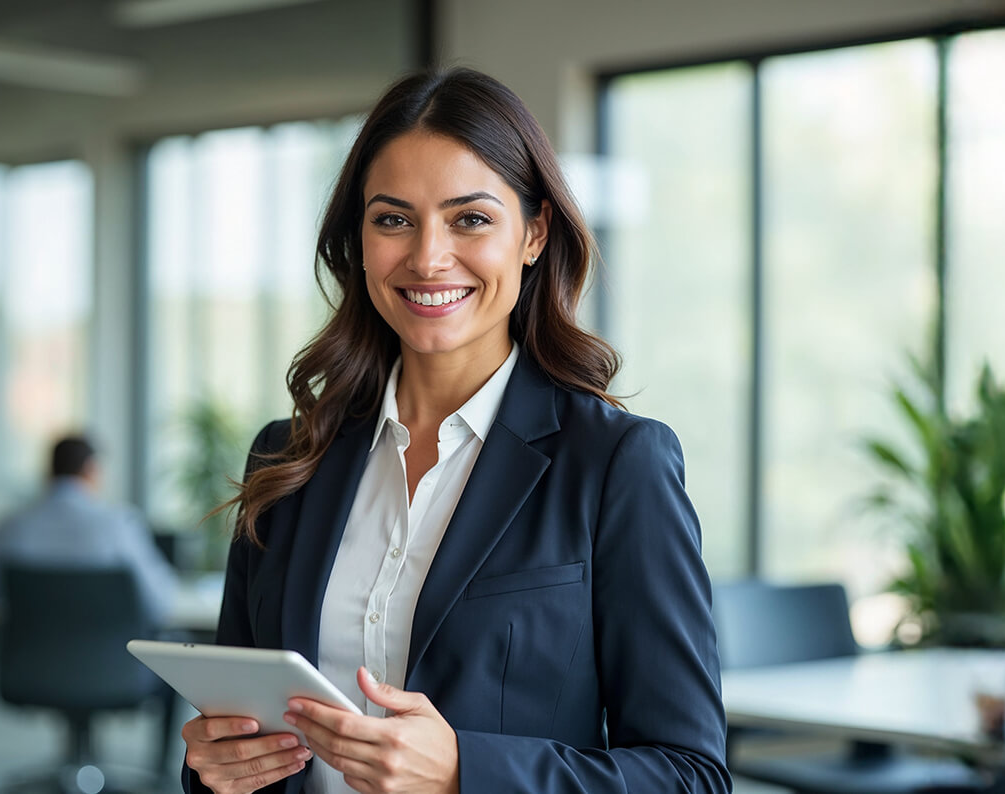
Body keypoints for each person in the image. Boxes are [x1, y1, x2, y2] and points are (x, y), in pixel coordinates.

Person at [175, 66, 725, 794]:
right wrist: (213, 768)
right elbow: (244, 736)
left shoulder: (616, 464)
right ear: (359, 242)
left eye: (471, 218)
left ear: (534, 233)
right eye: (393, 219)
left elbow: (689, 776)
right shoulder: (289, 457)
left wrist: (469, 771)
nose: (427, 257)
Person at [0, 434, 182, 625]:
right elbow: (159, 602)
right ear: (91, 469)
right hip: (110, 656)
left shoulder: (11, 526)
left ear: (50, 470)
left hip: (27, 656)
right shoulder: (119, 525)